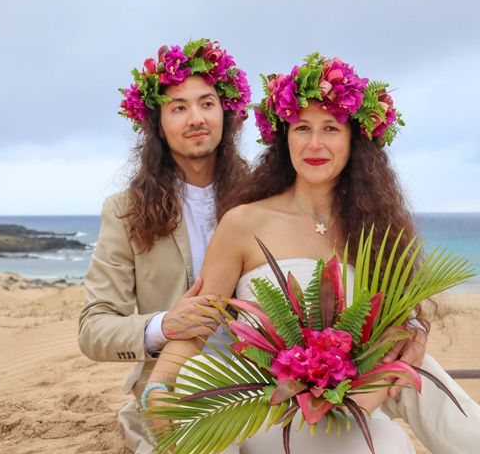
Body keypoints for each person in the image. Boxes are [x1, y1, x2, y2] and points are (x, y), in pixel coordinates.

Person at [145, 53, 480, 453]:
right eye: (302, 127)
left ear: (354, 139)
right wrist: (160, 384)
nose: (315, 144)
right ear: (285, 137)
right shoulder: (244, 223)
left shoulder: (375, 231)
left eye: (330, 129)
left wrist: (409, 341)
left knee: (413, 367)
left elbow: (397, 329)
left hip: (351, 405)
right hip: (265, 410)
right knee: (387, 443)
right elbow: (196, 328)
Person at [77, 39, 252, 453]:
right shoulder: (125, 211)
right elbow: (92, 328)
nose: (196, 118)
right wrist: (164, 326)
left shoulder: (262, 199)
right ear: (157, 124)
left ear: (225, 113)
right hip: (171, 391)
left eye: (207, 103)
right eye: (178, 107)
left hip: (260, 383)